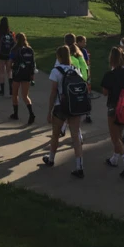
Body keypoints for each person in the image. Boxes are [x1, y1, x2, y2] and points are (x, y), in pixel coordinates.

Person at [43, 45, 85, 179]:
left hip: (60, 106)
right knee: (75, 137)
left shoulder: (56, 71)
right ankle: (79, 166)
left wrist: (49, 111)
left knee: (55, 134)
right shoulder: (76, 70)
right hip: (74, 107)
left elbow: (53, 92)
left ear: (59, 57)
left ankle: (51, 159)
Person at [101, 46, 124, 177]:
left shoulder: (109, 75)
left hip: (113, 107)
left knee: (115, 137)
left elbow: (105, 92)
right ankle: (114, 159)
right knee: (119, 135)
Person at [58, 34, 89, 142]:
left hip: (68, 86)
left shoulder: (66, 55)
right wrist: (84, 80)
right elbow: (85, 68)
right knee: (75, 110)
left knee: (69, 110)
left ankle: (76, 136)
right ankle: (65, 130)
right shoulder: (79, 54)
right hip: (80, 84)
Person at [8, 33, 36, 125]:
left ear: (16, 39)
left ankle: (15, 114)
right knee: (25, 95)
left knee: (15, 94)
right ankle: (31, 113)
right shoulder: (30, 50)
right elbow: (33, 63)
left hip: (17, 74)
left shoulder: (14, 50)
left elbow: (10, 62)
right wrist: (32, 75)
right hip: (27, 74)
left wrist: (9, 70)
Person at [0, 17, 15, 96]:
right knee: (9, 71)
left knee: (2, 72)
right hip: (9, 55)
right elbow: (14, 45)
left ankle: (2, 90)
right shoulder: (12, 33)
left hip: (1, 54)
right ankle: (11, 88)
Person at [77, 35, 93, 124]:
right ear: (78, 42)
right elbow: (87, 64)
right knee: (86, 94)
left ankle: (87, 114)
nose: (85, 43)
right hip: (84, 76)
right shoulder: (83, 51)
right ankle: (88, 114)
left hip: (80, 76)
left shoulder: (81, 51)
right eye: (84, 42)